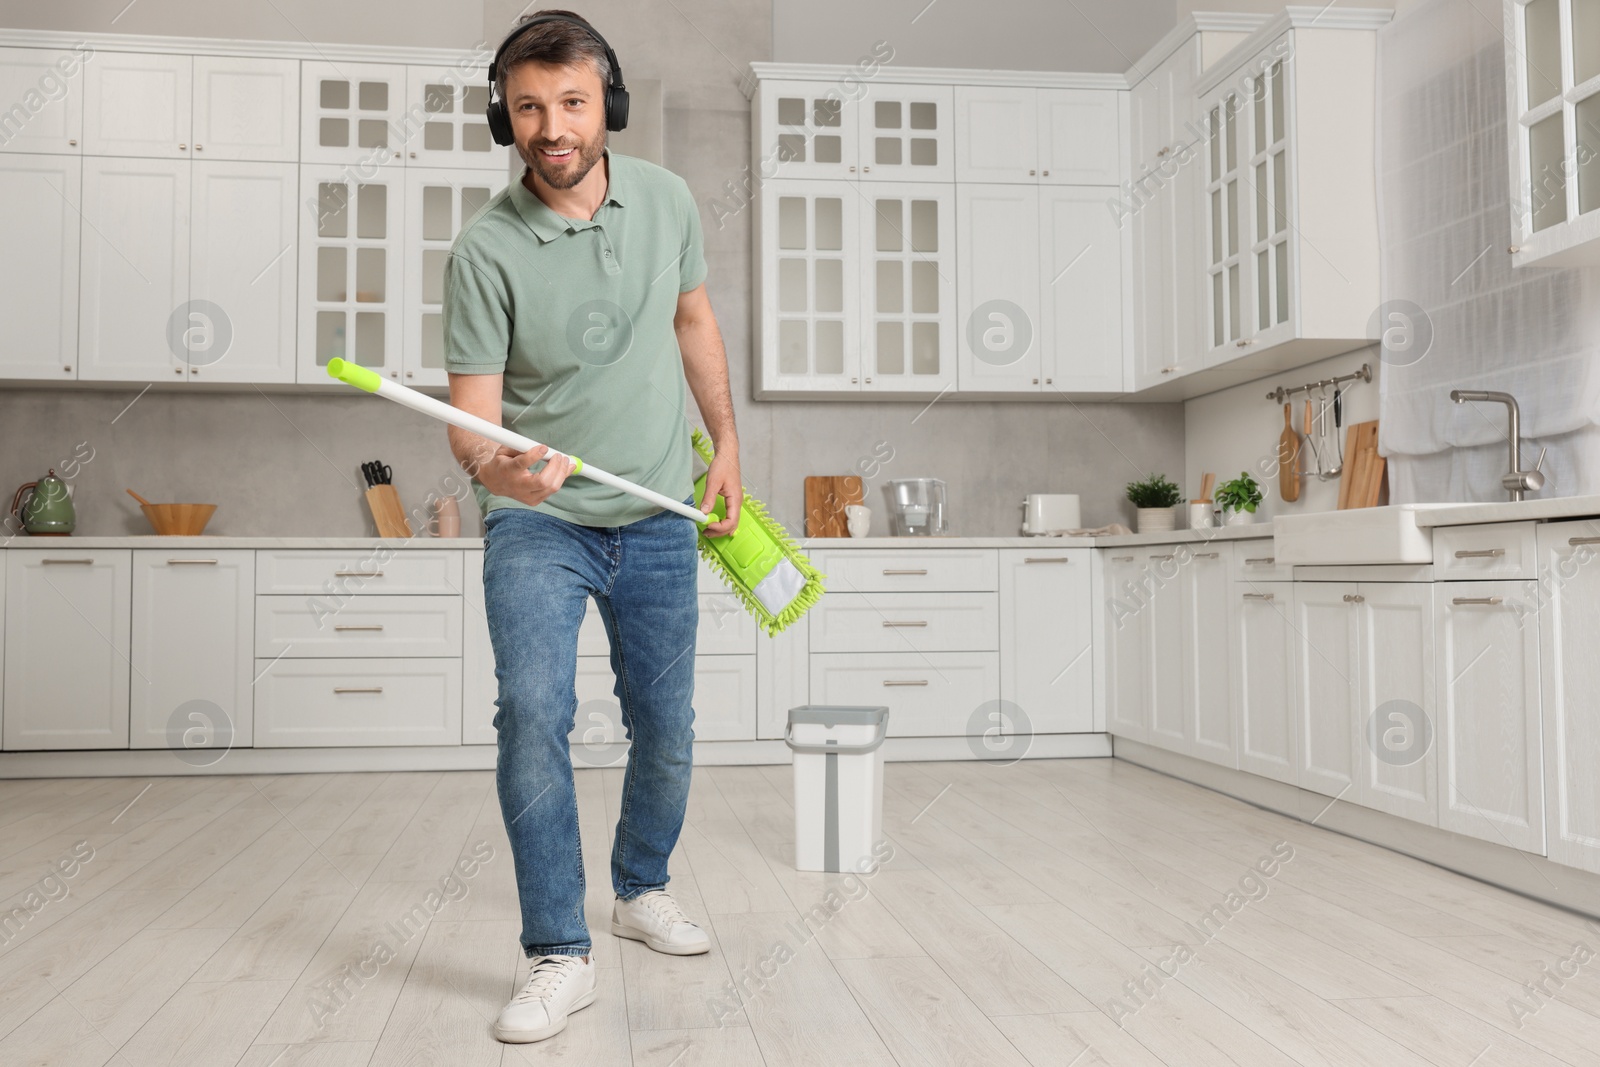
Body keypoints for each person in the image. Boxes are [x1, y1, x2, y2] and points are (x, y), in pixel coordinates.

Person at [440, 10, 741, 1045]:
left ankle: (640, 886)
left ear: (605, 102)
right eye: (528, 106)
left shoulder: (666, 200)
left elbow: (692, 320)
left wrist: (727, 445)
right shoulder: (484, 249)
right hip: (542, 523)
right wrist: (500, 468)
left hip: (659, 509)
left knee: (667, 724)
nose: (551, 125)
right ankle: (556, 950)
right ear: (504, 115)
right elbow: (473, 424)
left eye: (570, 101)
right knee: (533, 709)